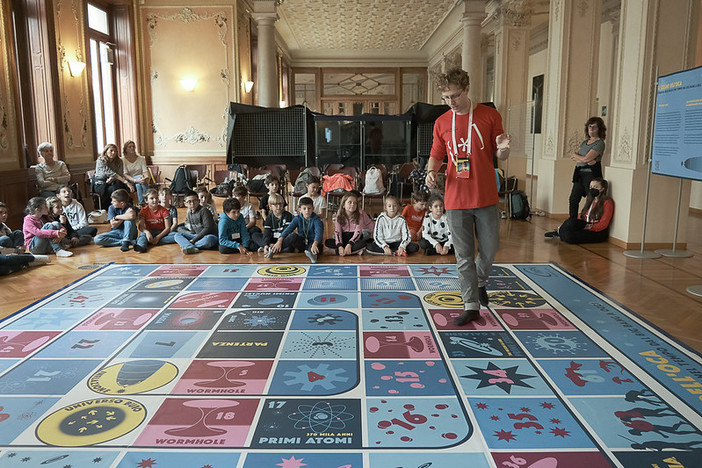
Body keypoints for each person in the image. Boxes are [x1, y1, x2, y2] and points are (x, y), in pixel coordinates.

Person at [426, 68, 511, 326]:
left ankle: (480, 280)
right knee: (463, 255)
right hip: (456, 198)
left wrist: (505, 150)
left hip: (485, 195)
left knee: (489, 249)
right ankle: (471, 304)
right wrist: (431, 171)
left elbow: (500, 153)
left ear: (466, 89)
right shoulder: (442, 122)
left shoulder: (489, 115)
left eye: (454, 96)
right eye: (445, 98)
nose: (450, 102)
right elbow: (437, 155)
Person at [545, 177, 614, 244]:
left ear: (602, 189)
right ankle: (559, 232)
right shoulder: (591, 199)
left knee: (569, 236)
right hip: (586, 225)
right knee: (571, 221)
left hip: (597, 231)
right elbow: (583, 215)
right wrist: (575, 224)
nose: (592, 189)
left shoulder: (607, 202)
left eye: (595, 187)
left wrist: (590, 227)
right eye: (591, 187)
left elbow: (603, 223)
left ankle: (560, 233)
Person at [569, 117, 606, 219]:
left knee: (590, 199)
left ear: (599, 129)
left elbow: (585, 158)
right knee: (573, 199)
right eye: (589, 126)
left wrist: (582, 158)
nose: (591, 129)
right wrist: (584, 159)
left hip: (591, 175)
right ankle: (572, 221)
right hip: (579, 173)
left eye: (594, 127)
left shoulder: (600, 143)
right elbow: (573, 155)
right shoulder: (584, 142)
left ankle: (586, 220)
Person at [269, 196, 324, 263]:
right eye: (304, 208)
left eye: (309, 208)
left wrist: (315, 244)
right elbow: (288, 229)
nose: (307, 211)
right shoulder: (297, 218)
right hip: (302, 241)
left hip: (313, 242)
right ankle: (274, 250)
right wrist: (279, 241)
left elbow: (319, 233)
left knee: (316, 247)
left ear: (313, 208)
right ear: (300, 210)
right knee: (292, 236)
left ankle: (313, 256)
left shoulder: (316, 219)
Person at [325, 192, 374, 256]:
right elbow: (338, 231)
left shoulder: (360, 214)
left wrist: (350, 244)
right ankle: (354, 251)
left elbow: (358, 232)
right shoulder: (339, 214)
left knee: (363, 243)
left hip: (355, 238)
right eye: (349, 202)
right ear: (343, 205)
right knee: (328, 242)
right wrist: (339, 246)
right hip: (344, 236)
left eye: (355, 203)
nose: (352, 204)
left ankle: (336, 252)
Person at [173, 190, 218, 254]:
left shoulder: (204, 211)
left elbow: (208, 228)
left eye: (195, 200)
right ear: (185, 203)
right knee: (177, 235)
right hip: (196, 236)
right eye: (189, 202)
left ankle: (188, 246)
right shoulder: (189, 212)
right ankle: (190, 247)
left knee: (210, 239)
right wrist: (193, 237)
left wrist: (194, 240)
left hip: (207, 236)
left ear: (198, 201)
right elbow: (192, 229)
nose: (192, 203)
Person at [134, 188, 176, 253]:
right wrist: (147, 233)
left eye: (156, 198)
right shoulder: (144, 211)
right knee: (142, 235)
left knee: (175, 235)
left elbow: (167, 228)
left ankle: (150, 242)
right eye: (152, 198)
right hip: (150, 232)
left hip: (162, 233)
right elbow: (141, 227)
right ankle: (141, 246)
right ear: (146, 200)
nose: (155, 200)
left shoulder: (164, 210)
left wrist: (158, 237)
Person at [94, 143, 134, 209]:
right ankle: (118, 207)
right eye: (111, 151)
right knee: (116, 188)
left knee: (118, 186)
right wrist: (126, 182)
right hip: (101, 183)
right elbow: (108, 172)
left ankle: (123, 206)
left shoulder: (119, 161)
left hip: (114, 181)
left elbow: (119, 174)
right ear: (106, 151)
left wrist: (113, 179)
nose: (113, 153)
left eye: (115, 151)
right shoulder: (100, 160)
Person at [122, 140, 149, 205]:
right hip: (129, 181)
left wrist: (145, 178)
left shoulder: (141, 159)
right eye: (130, 147)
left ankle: (141, 203)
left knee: (138, 184)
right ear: (125, 149)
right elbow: (125, 174)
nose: (132, 148)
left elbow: (145, 171)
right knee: (139, 181)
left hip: (140, 180)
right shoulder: (123, 160)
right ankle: (147, 201)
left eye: (133, 146)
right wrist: (136, 180)